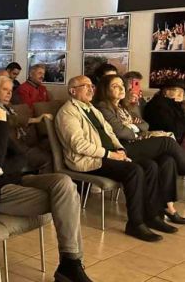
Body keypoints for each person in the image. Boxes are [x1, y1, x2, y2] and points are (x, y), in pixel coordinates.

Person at [0, 80, 92, 281]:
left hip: (9, 179)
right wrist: (1, 124)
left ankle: (70, 264)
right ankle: (71, 263)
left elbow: (21, 158)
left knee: (64, 182)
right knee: (67, 199)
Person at [56, 75, 175, 242]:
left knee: (150, 166)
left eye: (91, 85)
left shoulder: (92, 109)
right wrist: (110, 154)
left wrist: (120, 149)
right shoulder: (68, 112)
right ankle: (135, 223)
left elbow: (110, 133)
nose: (91, 89)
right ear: (73, 91)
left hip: (110, 154)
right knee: (134, 170)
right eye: (85, 86)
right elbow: (78, 145)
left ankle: (152, 216)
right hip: (89, 159)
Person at [94, 75, 185, 222]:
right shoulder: (103, 107)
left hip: (134, 143)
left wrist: (131, 126)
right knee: (167, 142)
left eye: (122, 85)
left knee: (167, 159)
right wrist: (134, 128)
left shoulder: (123, 107)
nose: (121, 88)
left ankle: (167, 208)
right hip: (121, 148)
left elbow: (145, 125)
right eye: (115, 86)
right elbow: (119, 132)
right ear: (105, 89)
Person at [0, 76, 52, 173]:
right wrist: (35, 119)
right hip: (13, 150)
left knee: (51, 147)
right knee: (48, 158)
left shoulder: (7, 106)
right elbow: (10, 120)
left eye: (11, 90)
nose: (9, 93)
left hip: (22, 144)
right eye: (5, 89)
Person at [143, 79, 185, 144]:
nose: (180, 95)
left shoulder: (174, 105)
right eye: (177, 91)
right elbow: (174, 130)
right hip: (161, 143)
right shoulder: (159, 104)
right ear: (166, 91)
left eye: (183, 92)